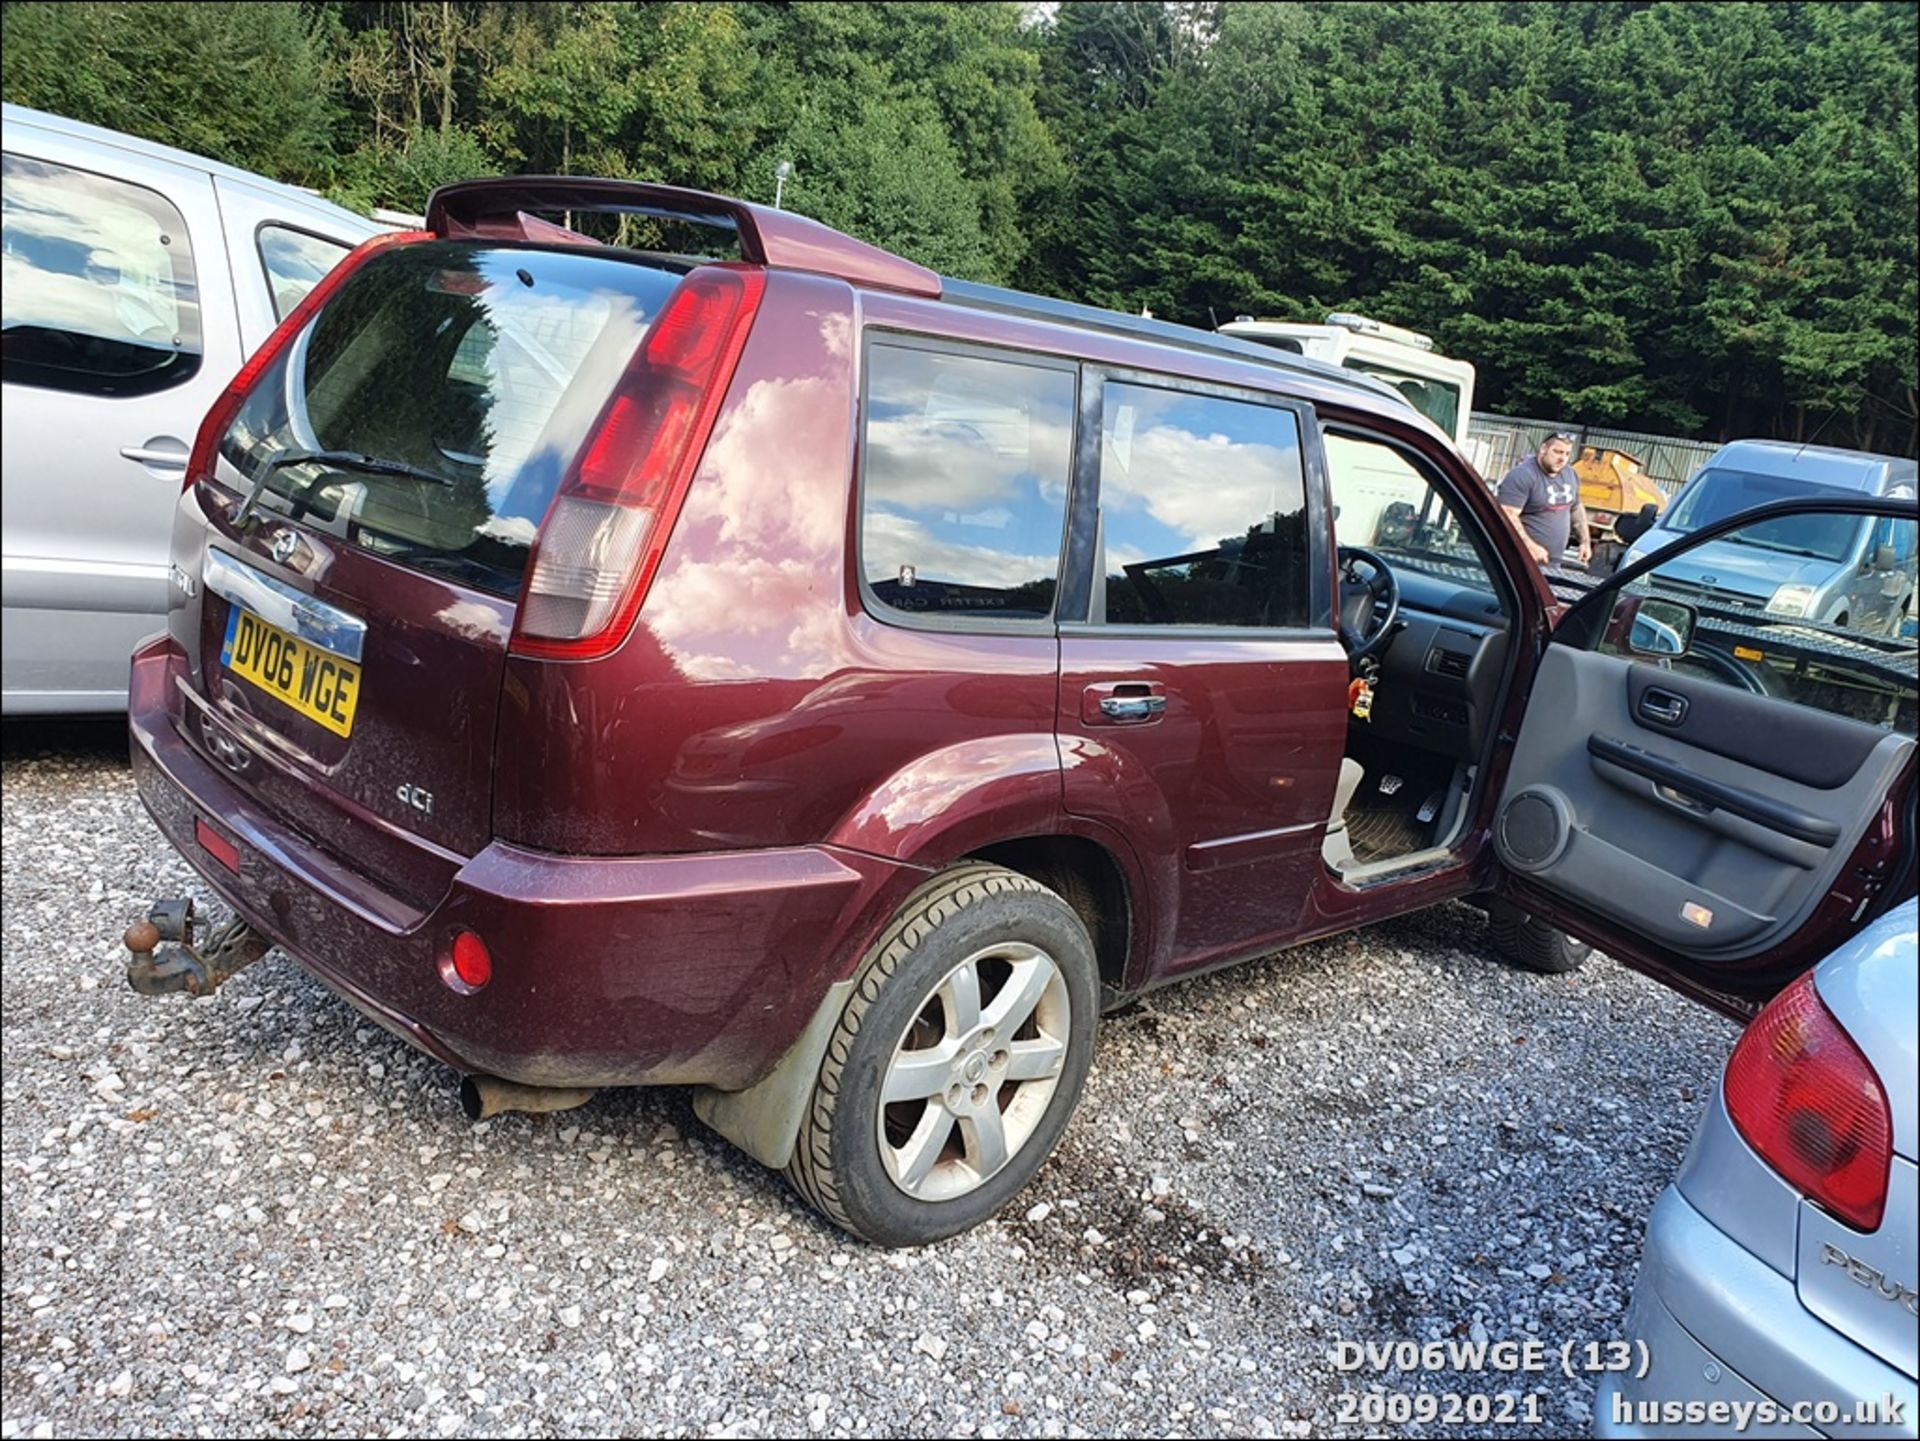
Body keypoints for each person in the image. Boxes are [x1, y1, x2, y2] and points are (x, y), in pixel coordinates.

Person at [1497, 431, 1590, 569]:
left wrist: (1585, 541)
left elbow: (1575, 507)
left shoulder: (1570, 474)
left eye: (1567, 454)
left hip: (1552, 563)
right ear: (1543, 449)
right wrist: (1529, 546)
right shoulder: (1522, 475)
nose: (1562, 459)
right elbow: (1507, 515)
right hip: (1520, 563)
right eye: (1558, 452)